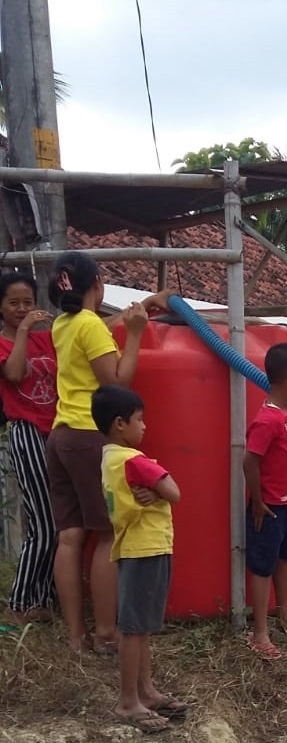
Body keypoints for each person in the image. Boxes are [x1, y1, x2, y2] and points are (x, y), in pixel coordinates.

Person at [46, 252, 168, 654]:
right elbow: (116, 384)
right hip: (88, 436)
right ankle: (106, 632)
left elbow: (94, 332)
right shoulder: (89, 326)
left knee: (70, 536)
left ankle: (75, 637)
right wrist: (134, 335)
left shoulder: (63, 324)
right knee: (108, 534)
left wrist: (137, 312)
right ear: (97, 285)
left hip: (61, 435)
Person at [92, 384, 184, 733]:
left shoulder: (109, 459)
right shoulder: (134, 460)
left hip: (135, 546)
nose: (144, 426)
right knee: (134, 630)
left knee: (141, 627)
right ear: (119, 424)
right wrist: (160, 491)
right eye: (139, 420)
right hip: (146, 548)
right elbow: (174, 491)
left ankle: (145, 691)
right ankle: (128, 701)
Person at [243, 343, 287, 659]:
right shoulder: (267, 419)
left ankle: (283, 613)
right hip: (269, 507)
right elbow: (249, 461)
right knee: (262, 566)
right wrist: (257, 502)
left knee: (285, 558)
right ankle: (259, 633)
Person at [0, 272, 57, 618]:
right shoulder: (5, 342)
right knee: (44, 523)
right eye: (14, 303)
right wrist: (22, 331)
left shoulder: (47, 340)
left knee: (59, 522)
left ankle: (45, 599)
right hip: (27, 433)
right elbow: (15, 375)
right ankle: (20, 603)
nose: (22, 309)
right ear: (1, 307)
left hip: (57, 434)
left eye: (28, 302)